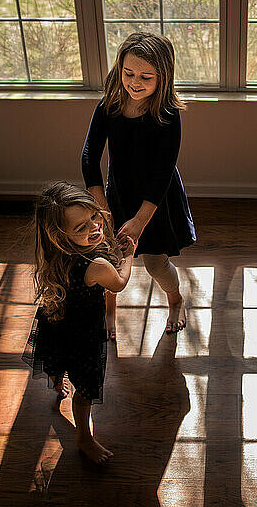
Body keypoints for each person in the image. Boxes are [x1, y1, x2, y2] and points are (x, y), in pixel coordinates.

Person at [81, 32, 196, 339]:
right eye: (128, 73)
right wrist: (101, 205)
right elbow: (90, 156)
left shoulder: (168, 115)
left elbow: (162, 174)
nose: (134, 82)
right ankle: (108, 310)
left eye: (146, 77)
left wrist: (140, 221)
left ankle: (176, 299)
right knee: (111, 259)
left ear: (163, 77)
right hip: (117, 195)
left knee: (157, 265)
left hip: (156, 201)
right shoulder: (109, 106)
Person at [22, 181, 137, 464]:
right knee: (84, 391)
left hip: (55, 320)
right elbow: (119, 283)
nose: (94, 228)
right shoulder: (96, 266)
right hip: (84, 334)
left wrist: (109, 249)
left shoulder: (55, 253)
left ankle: (56, 381)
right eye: (81, 228)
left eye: (93, 217)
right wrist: (129, 255)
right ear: (59, 234)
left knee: (53, 357)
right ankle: (84, 438)